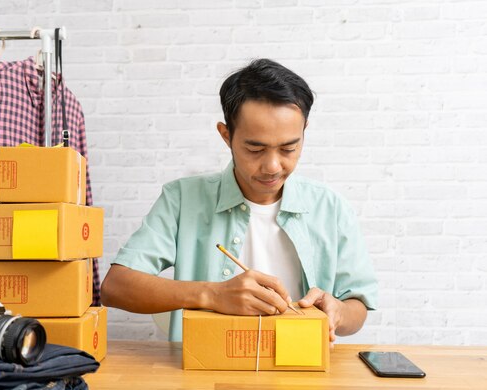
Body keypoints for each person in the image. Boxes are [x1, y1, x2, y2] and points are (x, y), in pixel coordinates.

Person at [101, 58, 377, 342]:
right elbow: (115, 287)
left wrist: (338, 312)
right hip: (205, 370)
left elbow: (357, 305)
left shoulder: (330, 207)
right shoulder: (182, 199)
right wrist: (212, 294)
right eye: (255, 149)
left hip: (300, 366)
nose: (272, 166)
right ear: (226, 135)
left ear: (304, 132)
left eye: (288, 148)